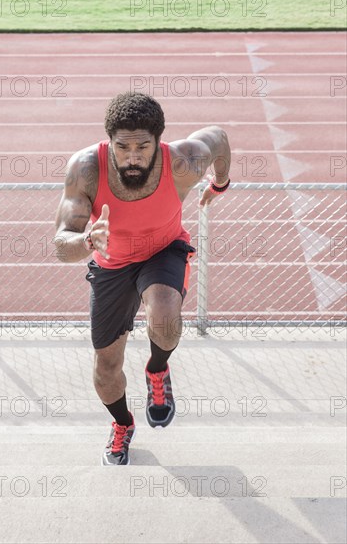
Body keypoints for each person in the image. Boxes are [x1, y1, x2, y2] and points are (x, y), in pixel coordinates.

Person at [54, 92, 231, 465]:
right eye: (122, 147)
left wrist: (220, 183)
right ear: (109, 141)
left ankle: (156, 369)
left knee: (165, 317)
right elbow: (60, 243)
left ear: (158, 142)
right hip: (111, 263)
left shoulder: (182, 162)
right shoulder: (86, 168)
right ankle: (123, 424)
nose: (132, 156)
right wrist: (86, 240)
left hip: (162, 249)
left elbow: (219, 137)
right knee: (105, 369)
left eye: (142, 147)